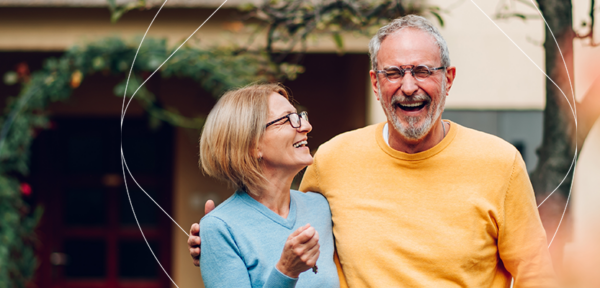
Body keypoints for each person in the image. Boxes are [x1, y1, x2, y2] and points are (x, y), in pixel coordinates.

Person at [189, 15, 557, 287]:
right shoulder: (332, 160)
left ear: (448, 78)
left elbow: (535, 274)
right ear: (375, 83)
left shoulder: (499, 161)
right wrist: (219, 238)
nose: (408, 86)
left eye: (422, 71)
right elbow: (274, 223)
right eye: (394, 73)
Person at [197, 84, 340, 287]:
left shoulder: (322, 207)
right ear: (252, 145)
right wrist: (286, 271)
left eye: (300, 116)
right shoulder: (219, 228)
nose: (306, 126)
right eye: (288, 119)